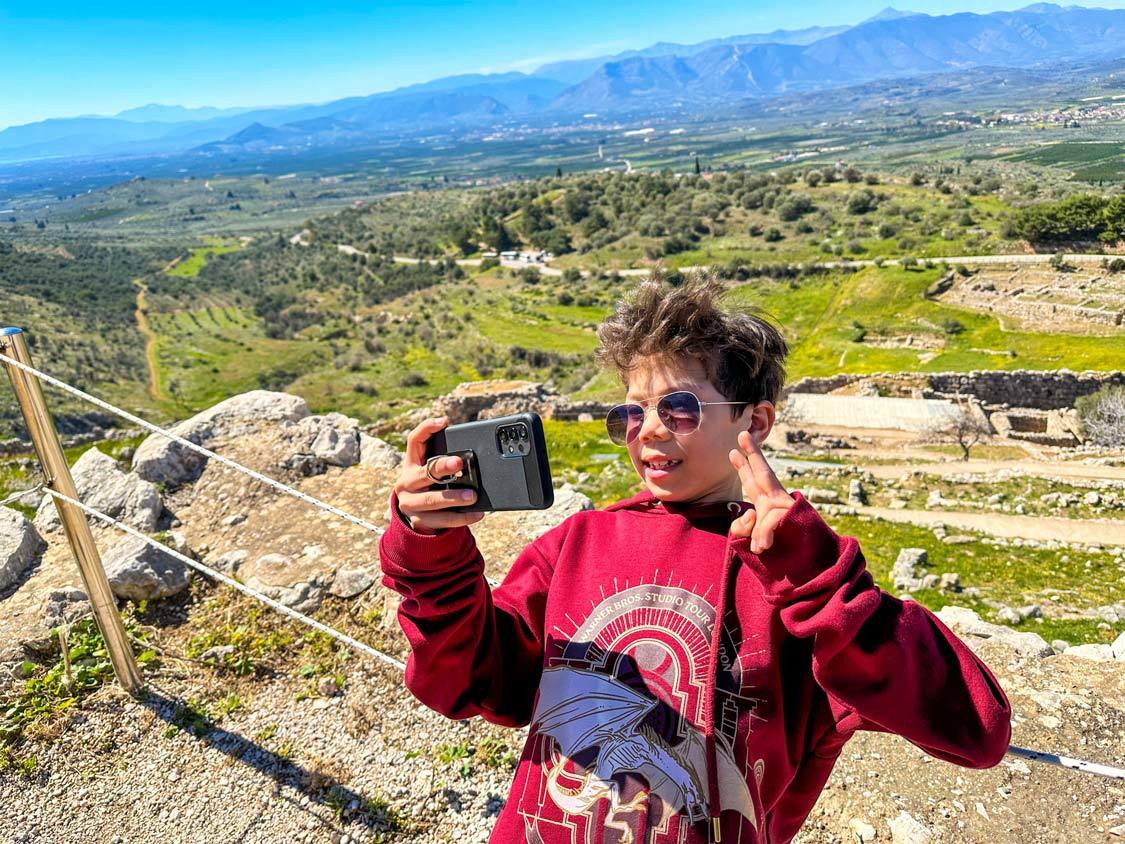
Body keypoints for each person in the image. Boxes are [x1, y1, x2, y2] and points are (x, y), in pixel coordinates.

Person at [378, 275, 1011, 844]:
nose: (647, 429)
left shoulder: (798, 580)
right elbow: (464, 683)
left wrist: (818, 578)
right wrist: (430, 553)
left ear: (754, 421)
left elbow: (976, 729)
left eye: (678, 408)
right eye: (630, 410)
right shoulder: (577, 544)